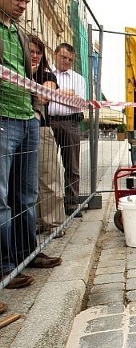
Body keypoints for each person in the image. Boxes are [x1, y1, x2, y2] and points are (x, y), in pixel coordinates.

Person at [1, 0, 63, 294]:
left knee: (26, 194)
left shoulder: (20, 35)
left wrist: (38, 102)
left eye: (26, 0)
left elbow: (35, 76)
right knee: (1, 198)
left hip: (26, 118)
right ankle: (4, 267)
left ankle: (27, 253)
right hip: (2, 118)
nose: (24, 5)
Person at [31, 35, 65, 237]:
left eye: (38, 52)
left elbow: (43, 96)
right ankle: (33, 223)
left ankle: (54, 223)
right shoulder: (15, 71)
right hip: (17, 127)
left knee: (49, 177)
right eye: (31, 51)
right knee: (26, 182)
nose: (34, 55)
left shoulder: (47, 76)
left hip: (42, 129)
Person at [49, 42, 86, 217]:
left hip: (70, 123)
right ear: (55, 54)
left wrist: (57, 92)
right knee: (47, 166)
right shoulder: (46, 73)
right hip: (48, 122)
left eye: (70, 59)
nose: (66, 61)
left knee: (72, 166)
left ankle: (71, 204)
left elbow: (79, 103)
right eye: (63, 57)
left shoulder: (78, 79)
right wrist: (68, 93)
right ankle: (50, 207)